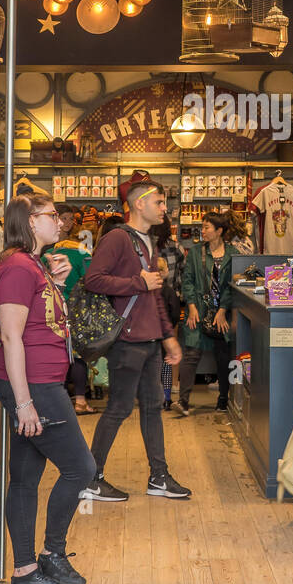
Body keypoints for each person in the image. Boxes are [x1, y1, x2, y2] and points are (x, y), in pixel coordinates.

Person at [0, 193, 97, 584]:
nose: (60, 222)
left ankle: (24, 573)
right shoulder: (19, 268)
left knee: (25, 479)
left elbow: (43, 322)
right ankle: (53, 553)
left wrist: (58, 283)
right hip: (33, 385)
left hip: (35, 382)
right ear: (31, 222)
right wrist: (24, 403)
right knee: (81, 469)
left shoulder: (33, 265)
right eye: (52, 216)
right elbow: (11, 335)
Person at [83, 179, 190, 501]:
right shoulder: (117, 238)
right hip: (127, 340)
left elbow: (154, 294)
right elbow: (94, 279)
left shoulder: (149, 242)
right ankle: (91, 477)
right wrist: (136, 282)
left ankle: (159, 476)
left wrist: (168, 335)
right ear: (139, 204)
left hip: (149, 341)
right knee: (118, 408)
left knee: (153, 408)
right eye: (159, 202)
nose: (164, 208)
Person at [178, 211, 234, 415]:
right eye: (202, 227)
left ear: (219, 231)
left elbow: (231, 286)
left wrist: (223, 310)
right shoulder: (195, 252)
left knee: (223, 356)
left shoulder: (232, 253)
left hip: (223, 313)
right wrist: (191, 307)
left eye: (207, 228)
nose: (203, 231)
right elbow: (188, 281)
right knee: (191, 353)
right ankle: (183, 401)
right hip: (199, 310)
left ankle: (223, 399)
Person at [47, 204, 93, 415]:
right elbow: (91, 278)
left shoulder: (46, 251)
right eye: (64, 218)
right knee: (75, 355)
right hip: (74, 306)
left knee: (61, 355)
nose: (68, 223)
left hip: (53, 307)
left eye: (71, 219)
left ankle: (63, 401)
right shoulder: (80, 250)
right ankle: (80, 400)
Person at [150, 214, 185, 411]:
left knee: (158, 353)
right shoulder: (175, 247)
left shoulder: (146, 247)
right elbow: (182, 273)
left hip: (158, 302)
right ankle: (168, 390)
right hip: (169, 301)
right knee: (170, 351)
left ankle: (160, 391)